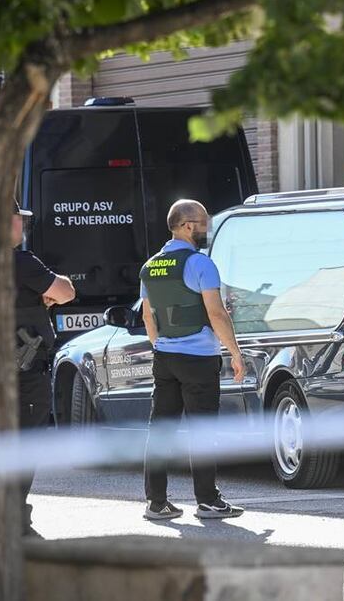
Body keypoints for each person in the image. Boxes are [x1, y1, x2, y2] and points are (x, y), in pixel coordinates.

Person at [139, 199, 246, 520]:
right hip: (198, 358)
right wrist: (235, 353)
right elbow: (216, 313)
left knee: (160, 429)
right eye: (203, 223)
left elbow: (148, 317)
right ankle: (208, 500)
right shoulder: (200, 264)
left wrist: (162, 345)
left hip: (166, 358)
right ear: (187, 226)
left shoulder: (150, 266)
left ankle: (156, 502)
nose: (206, 229)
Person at [12, 199, 75, 536]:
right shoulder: (20, 262)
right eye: (18, 219)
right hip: (23, 373)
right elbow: (65, 291)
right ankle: (16, 523)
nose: (22, 226)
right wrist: (45, 294)